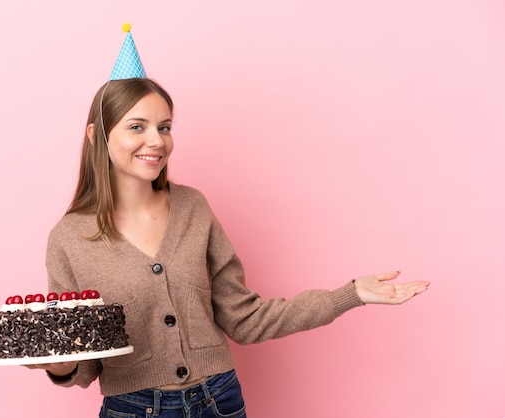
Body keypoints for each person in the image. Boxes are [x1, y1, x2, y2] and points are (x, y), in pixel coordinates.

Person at [29, 27, 430, 418]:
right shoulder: (70, 239)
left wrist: (350, 294)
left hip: (218, 401)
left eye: (165, 127)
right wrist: (55, 362)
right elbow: (81, 364)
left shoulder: (192, 208)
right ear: (97, 135)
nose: (157, 141)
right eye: (137, 126)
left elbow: (245, 319)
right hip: (134, 409)